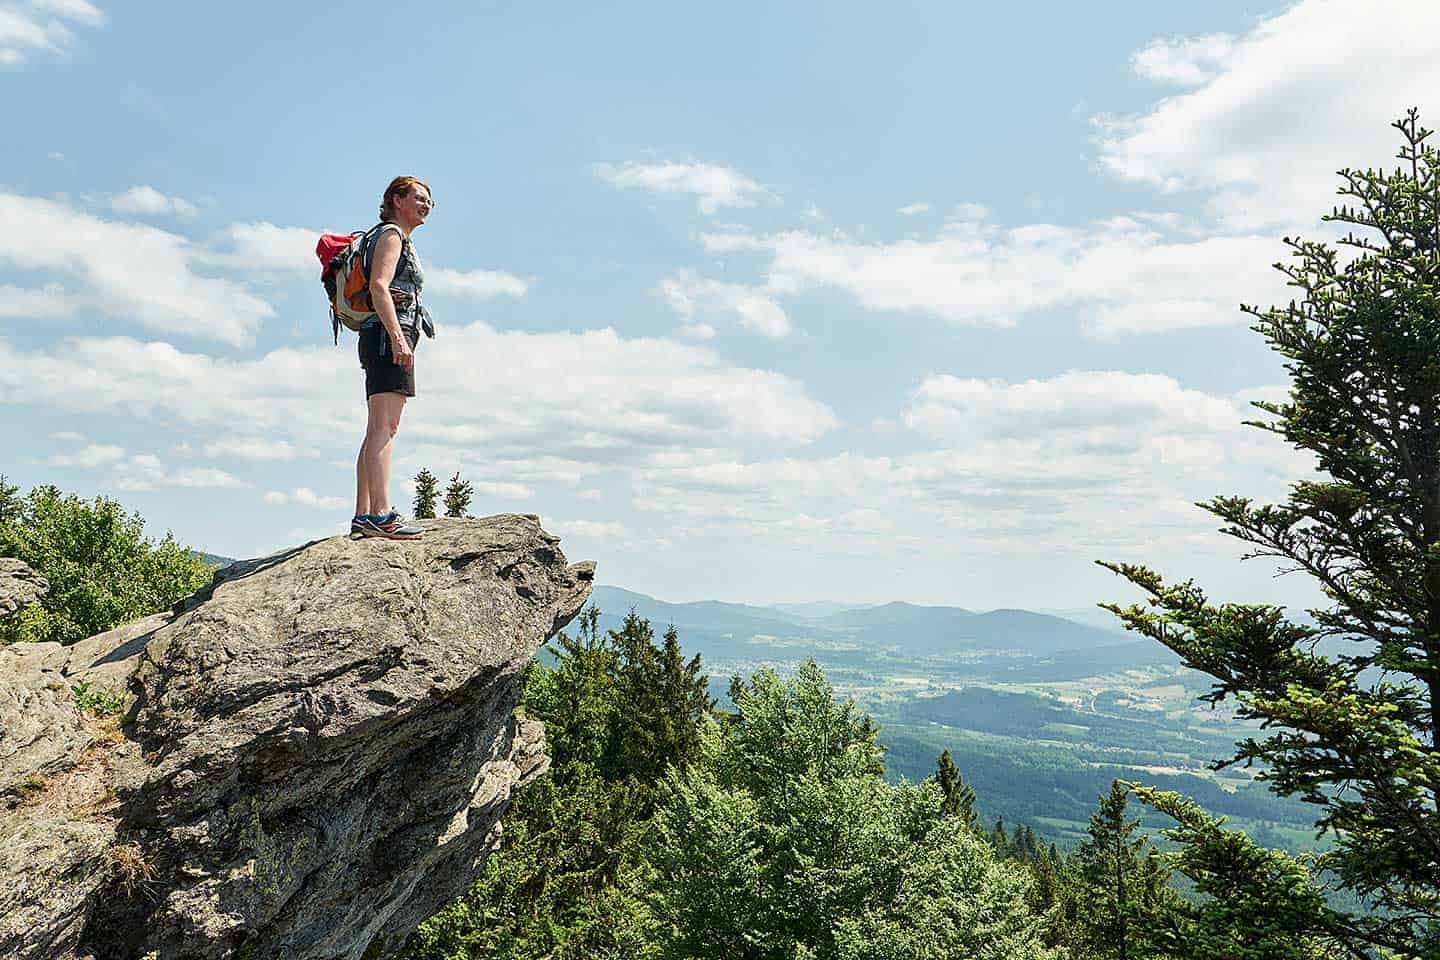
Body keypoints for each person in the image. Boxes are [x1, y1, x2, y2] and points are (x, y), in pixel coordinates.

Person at [351, 176, 436, 539]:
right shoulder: (391, 235)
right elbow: (379, 286)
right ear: (396, 200)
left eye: (430, 200)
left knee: (377, 428)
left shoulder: (383, 236)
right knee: (385, 428)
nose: (426, 205)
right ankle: (381, 515)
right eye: (419, 198)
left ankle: (365, 514)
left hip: (378, 337)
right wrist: (399, 339)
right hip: (389, 338)